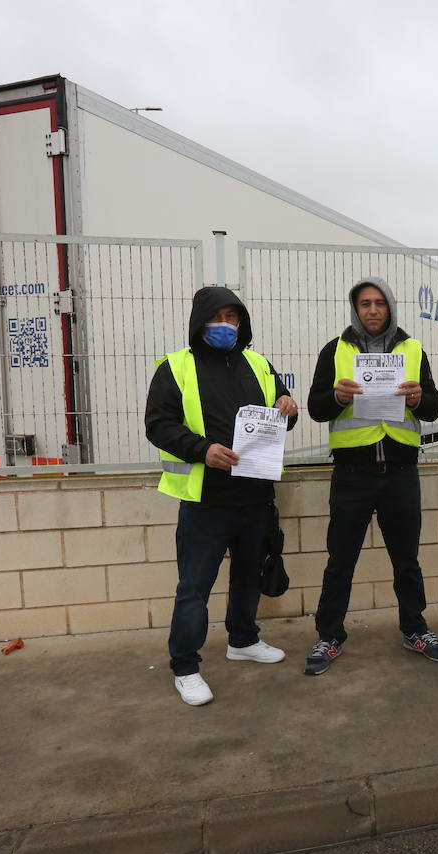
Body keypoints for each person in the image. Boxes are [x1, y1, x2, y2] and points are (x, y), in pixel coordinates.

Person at [145, 287, 299, 707]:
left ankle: (243, 640)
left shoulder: (259, 364)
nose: (226, 325)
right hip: (205, 500)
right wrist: (202, 450)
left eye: (233, 318)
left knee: (249, 574)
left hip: (255, 495)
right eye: (218, 317)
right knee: (195, 587)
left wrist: (288, 405)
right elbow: (158, 425)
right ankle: (185, 666)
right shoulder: (175, 368)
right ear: (200, 321)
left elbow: (283, 414)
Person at [303, 278, 438, 675]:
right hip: (352, 475)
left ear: (391, 307)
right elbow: (316, 408)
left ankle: (415, 628)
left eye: (380, 303)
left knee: (406, 561)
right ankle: (329, 634)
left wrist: (420, 399)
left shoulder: (413, 350)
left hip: (401, 474)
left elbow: (433, 408)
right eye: (365, 303)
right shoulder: (333, 351)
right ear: (354, 308)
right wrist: (337, 397)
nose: (372, 310)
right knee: (341, 560)